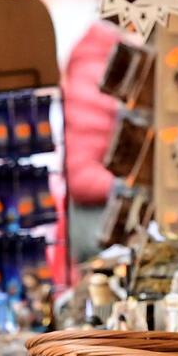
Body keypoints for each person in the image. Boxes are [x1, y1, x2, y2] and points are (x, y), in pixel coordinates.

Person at [62, 19, 125, 262]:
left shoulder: (103, 60)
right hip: (98, 223)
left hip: (103, 219)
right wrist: (128, 186)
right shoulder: (97, 65)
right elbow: (81, 175)